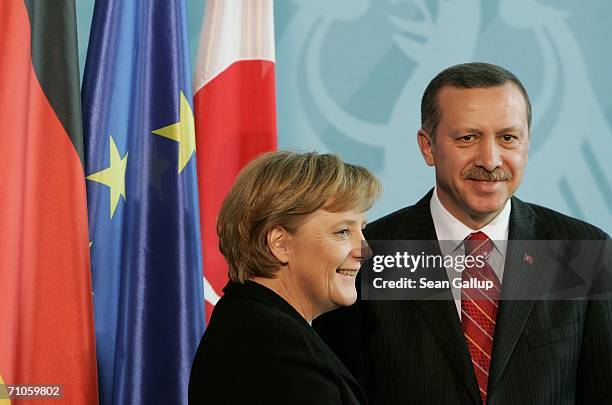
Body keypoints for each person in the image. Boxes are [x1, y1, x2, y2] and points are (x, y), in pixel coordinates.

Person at [314, 62, 612, 404]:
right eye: (468, 138)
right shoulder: (365, 256)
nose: (490, 159)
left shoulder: (585, 250)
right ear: (428, 147)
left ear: (527, 144)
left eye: (508, 138)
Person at [189, 151, 380, 404]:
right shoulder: (277, 347)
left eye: (362, 229)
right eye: (343, 231)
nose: (364, 251)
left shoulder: (253, 325)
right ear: (280, 244)